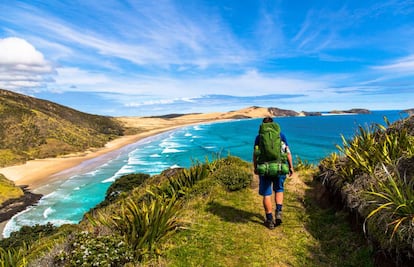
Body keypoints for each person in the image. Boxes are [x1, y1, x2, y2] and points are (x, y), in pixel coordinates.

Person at [253, 116, 294, 229]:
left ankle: (270, 219)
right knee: (279, 190)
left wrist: (255, 167)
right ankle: (279, 212)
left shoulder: (259, 137)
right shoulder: (281, 135)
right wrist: (291, 167)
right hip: (280, 167)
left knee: (267, 194)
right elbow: (288, 152)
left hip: (264, 168)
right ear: (273, 124)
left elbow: (255, 154)